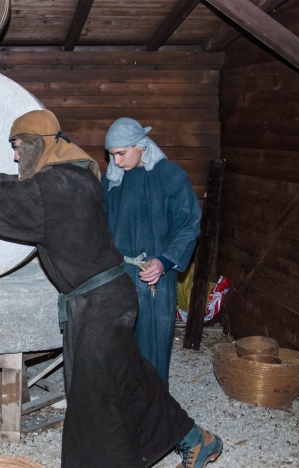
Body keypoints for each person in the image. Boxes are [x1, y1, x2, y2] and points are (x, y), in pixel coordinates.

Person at [0, 110, 222, 468]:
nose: (16, 156)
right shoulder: (74, 176)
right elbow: (9, 186)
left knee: (94, 402)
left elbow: (3, 197)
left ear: (38, 145)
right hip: (111, 298)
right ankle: (196, 439)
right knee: (132, 379)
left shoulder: (55, 187)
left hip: (97, 306)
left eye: (18, 147)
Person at [102, 117, 202, 386]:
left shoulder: (170, 177)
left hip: (154, 274)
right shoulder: (112, 181)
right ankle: (121, 402)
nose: (117, 162)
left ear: (140, 145)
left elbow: (189, 223)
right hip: (118, 273)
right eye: (112, 156)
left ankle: (155, 406)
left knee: (152, 342)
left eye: (121, 154)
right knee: (117, 342)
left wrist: (164, 261)